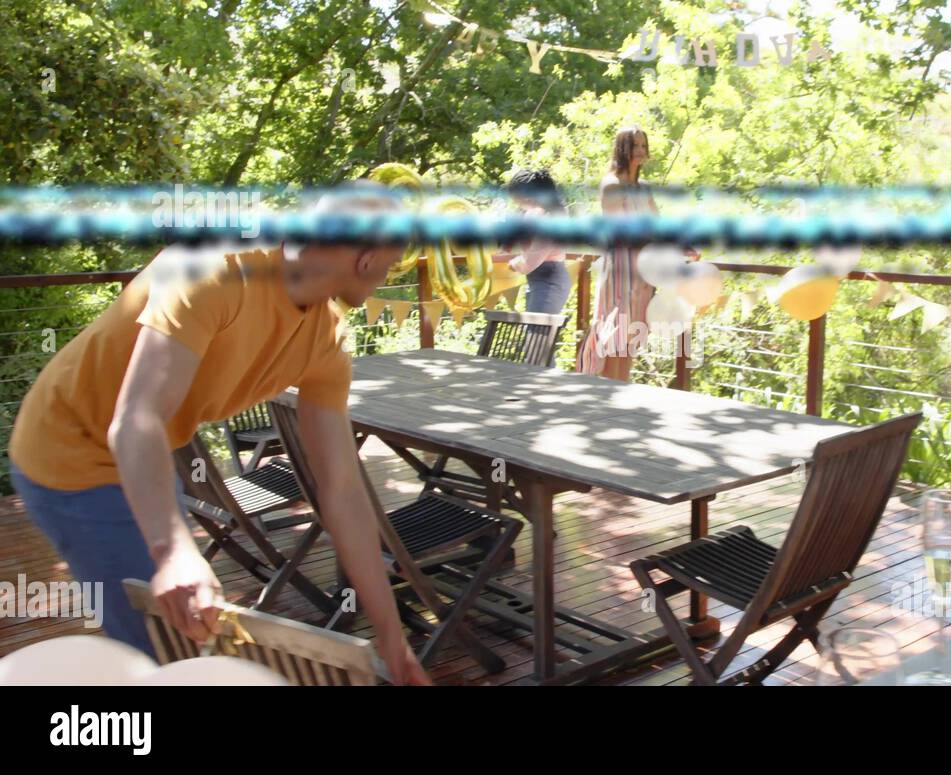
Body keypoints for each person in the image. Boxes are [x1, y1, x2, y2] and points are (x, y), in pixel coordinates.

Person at [8, 186, 432, 685]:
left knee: (190, 635)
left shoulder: (326, 338)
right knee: (168, 651)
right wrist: (172, 553)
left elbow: (342, 490)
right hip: (67, 454)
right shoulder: (214, 269)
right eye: (393, 264)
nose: (390, 276)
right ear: (366, 259)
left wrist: (390, 634)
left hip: (147, 460)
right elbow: (136, 419)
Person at [577, 125, 697, 380]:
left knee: (631, 335)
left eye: (643, 146)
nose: (641, 151)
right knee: (614, 334)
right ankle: (606, 393)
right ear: (622, 149)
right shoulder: (611, 184)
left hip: (644, 270)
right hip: (621, 266)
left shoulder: (644, 187)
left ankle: (621, 392)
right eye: (635, 146)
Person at [502, 169, 572, 314]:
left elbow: (533, 257)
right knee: (534, 333)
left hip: (549, 279)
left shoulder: (552, 217)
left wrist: (514, 263)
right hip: (538, 279)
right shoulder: (533, 213)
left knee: (537, 334)